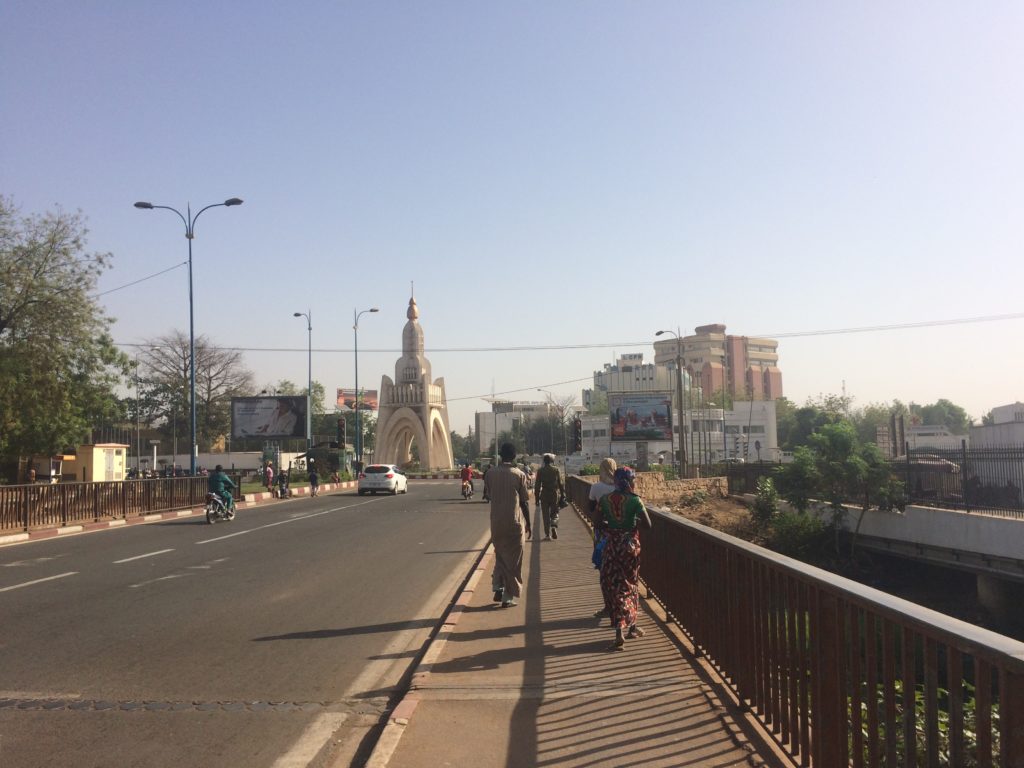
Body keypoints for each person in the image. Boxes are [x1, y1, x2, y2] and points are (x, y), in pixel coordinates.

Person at [597, 466, 652, 650]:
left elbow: (597, 522)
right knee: (631, 585)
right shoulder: (635, 500)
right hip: (630, 548)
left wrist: (613, 529)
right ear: (630, 481)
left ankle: (619, 631)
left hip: (612, 547)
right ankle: (632, 628)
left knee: (614, 587)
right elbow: (648, 524)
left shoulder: (604, 500)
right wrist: (632, 523)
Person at [483, 443, 531, 608]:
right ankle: (508, 596)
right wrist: (529, 524)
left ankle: (498, 585)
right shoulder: (518, 475)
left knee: (501, 555)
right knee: (514, 560)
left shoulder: (490, 473)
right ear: (514, 456)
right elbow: (524, 502)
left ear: (501, 456)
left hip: (496, 522)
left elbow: (489, 494)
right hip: (514, 522)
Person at [588, 457, 617, 618]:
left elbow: (591, 507)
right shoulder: (621, 487)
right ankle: (621, 605)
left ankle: (608, 606)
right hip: (620, 534)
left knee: (604, 569)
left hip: (602, 534)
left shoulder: (596, 487)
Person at [534, 453, 565, 540]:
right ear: (551, 461)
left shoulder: (540, 471)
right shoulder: (556, 470)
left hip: (544, 494)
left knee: (545, 514)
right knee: (554, 512)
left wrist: (537, 498)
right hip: (554, 493)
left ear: (544, 461)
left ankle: (547, 535)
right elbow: (561, 483)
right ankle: (554, 526)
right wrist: (563, 494)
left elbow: (537, 486)